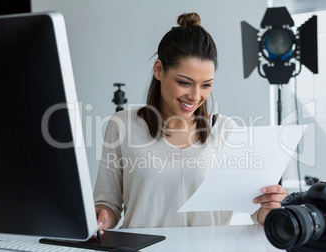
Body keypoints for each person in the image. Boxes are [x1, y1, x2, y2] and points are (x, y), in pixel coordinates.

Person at [94, 12, 287, 232]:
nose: (195, 96)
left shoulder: (225, 130)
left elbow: (255, 211)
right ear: (159, 70)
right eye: (185, 83)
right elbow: (107, 205)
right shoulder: (122, 126)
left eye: (206, 85)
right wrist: (99, 219)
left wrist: (269, 208)